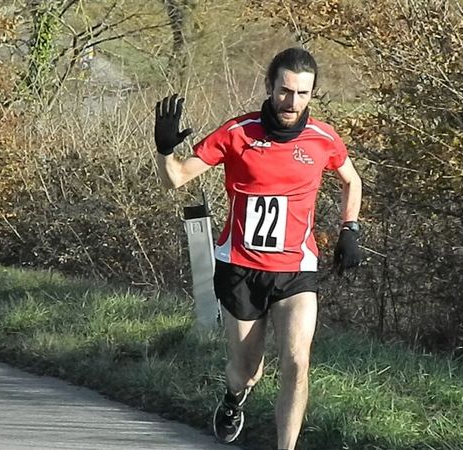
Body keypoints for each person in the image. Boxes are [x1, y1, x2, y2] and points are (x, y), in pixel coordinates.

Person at [154, 47, 362, 450]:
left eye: (303, 94)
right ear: (270, 87)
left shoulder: (323, 138)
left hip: (296, 270)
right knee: (247, 371)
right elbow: (176, 179)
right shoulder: (237, 132)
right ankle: (234, 399)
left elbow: (351, 180)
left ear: (312, 94)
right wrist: (165, 151)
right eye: (285, 91)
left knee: (298, 361)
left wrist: (349, 228)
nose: (292, 102)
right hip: (241, 267)